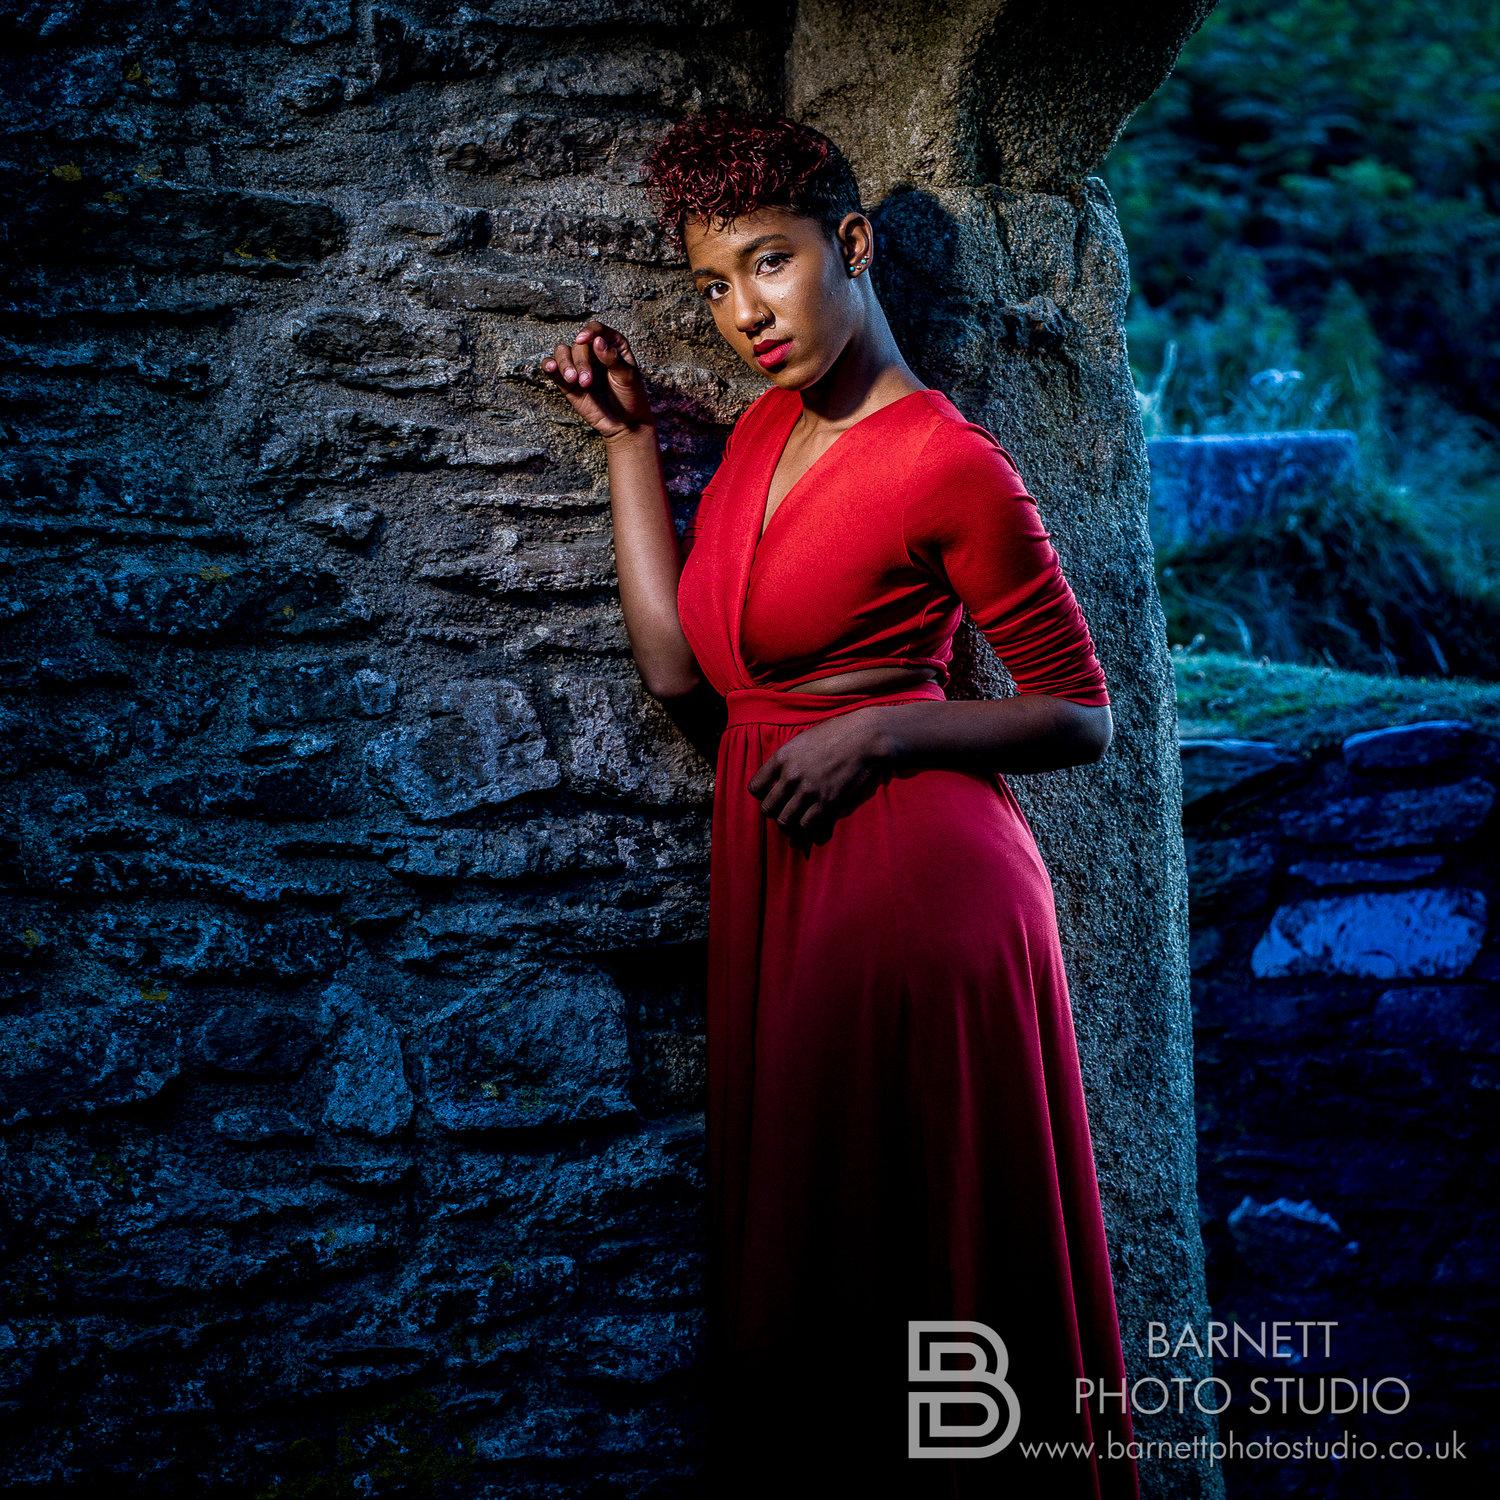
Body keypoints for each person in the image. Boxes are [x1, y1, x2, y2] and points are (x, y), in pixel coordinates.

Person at [538, 106, 1139, 1500]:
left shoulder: (948, 463)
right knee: (817, 1270)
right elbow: (685, 667)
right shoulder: (755, 435)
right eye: (713, 284)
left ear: (851, 245)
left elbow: (1083, 713)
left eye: (769, 262)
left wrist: (879, 733)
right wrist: (632, 452)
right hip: (787, 883)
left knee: (915, 1274)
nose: (745, 311)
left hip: (920, 894)